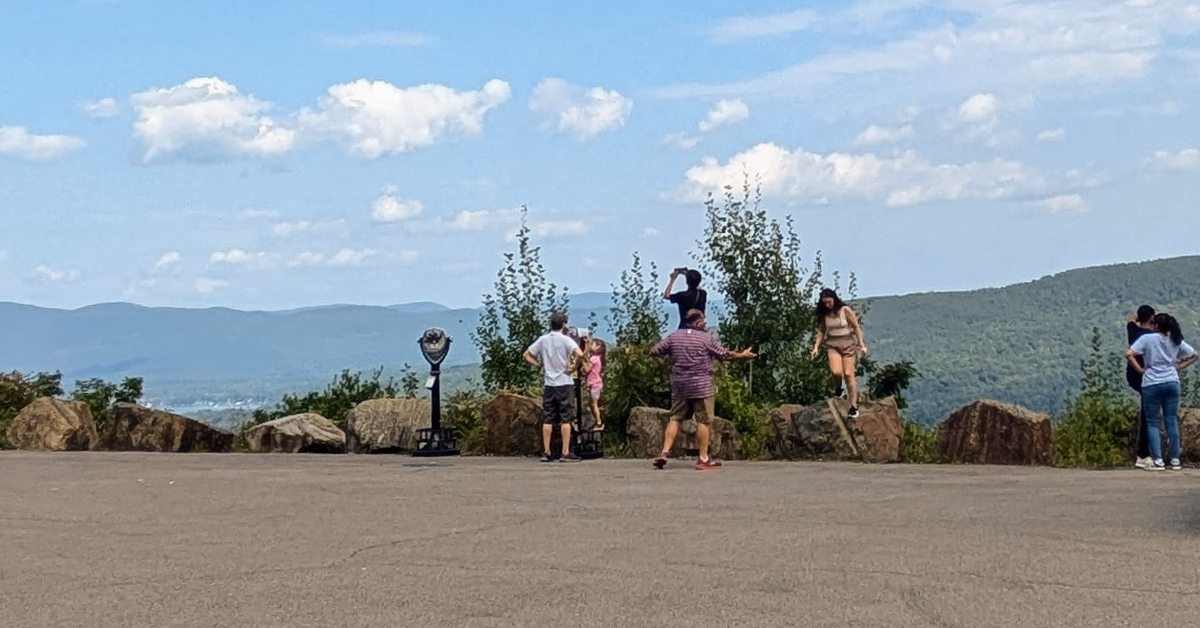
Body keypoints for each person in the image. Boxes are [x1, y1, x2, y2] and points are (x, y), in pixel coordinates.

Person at [649, 309, 756, 471]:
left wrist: (669, 364)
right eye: (704, 321)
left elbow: (654, 351)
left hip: (680, 384)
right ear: (698, 322)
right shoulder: (705, 338)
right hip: (702, 385)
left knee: (675, 418)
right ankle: (703, 458)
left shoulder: (674, 336)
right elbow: (724, 355)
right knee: (703, 421)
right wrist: (742, 355)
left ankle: (664, 452)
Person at [1126, 313, 1198, 471]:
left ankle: (1158, 460)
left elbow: (1129, 354)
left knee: (1152, 422)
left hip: (1151, 382)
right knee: (1171, 420)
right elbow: (1194, 354)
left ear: (1155, 325)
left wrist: (1140, 370)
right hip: (1172, 382)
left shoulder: (1147, 339)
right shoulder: (1175, 339)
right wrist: (1179, 366)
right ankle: (1175, 460)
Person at [524, 312, 584, 462]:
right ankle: (565, 452)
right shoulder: (566, 340)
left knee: (548, 418)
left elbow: (526, 354)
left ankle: (547, 451)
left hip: (549, 383)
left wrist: (538, 364)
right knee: (566, 418)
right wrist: (573, 366)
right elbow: (580, 354)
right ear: (563, 324)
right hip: (565, 382)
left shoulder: (543, 340)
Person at [810, 288, 868, 418]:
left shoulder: (844, 310)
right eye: (825, 303)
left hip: (848, 344)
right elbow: (821, 331)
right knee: (836, 371)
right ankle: (838, 388)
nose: (827, 305)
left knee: (848, 374)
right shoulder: (825, 315)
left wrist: (861, 344)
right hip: (833, 345)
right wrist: (816, 347)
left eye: (829, 302)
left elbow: (856, 327)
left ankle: (853, 407)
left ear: (834, 299)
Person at [1126, 305, 1156, 469]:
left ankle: (1145, 454)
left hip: (1133, 376)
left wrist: (1138, 318)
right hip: (1148, 376)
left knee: (1147, 410)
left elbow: (1130, 320)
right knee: (1148, 414)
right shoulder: (1153, 337)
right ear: (1152, 318)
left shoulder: (1132, 331)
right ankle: (1143, 454)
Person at [585, 338, 607, 430]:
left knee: (594, 404)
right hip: (596, 384)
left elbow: (587, 369)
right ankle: (597, 421)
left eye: (592, 344)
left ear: (598, 347)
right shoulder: (597, 358)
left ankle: (598, 422)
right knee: (592, 404)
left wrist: (582, 360)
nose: (590, 346)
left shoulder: (594, 358)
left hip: (595, 384)